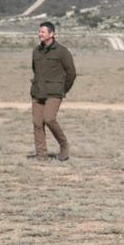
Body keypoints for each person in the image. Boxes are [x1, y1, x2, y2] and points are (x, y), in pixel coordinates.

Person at [29, 21, 76, 161]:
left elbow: (71, 73)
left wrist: (62, 89)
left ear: (52, 34)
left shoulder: (62, 51)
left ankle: (64, 145)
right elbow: (35, 70)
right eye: (39, 32)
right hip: (38, 91)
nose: (39, 34)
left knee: (49, 118)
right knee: (37, 123)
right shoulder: (36, 51)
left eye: (42, 32)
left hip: (54, 92)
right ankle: (41, 155)